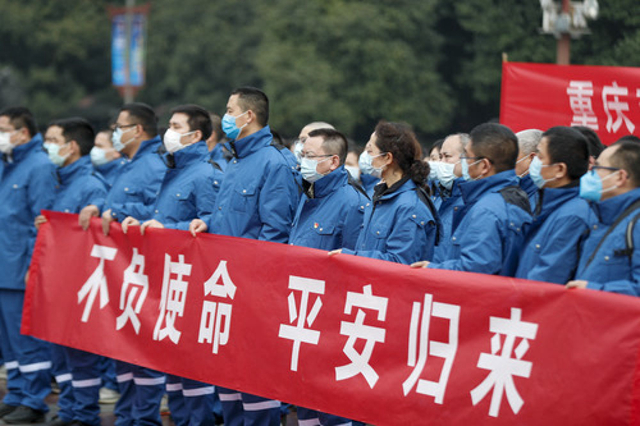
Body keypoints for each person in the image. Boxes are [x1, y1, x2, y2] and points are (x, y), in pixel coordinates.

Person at [190, 87, 300, 426]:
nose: (225, 117)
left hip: (251, 289)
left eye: (229, 110)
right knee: (228, 375)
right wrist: (208, 223)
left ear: (248, 116)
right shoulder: (235, 159)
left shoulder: (275, 162)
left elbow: (275, 232)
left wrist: (253, 285)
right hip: (224, 286)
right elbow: (234, 217)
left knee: (254, 378)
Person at [121, 104, 222, 426]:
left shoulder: (206, 175)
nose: (169, 132)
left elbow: (210, 226)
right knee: (173, 364)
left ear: (195, 135)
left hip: (190, 282)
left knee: (190, 366)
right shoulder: (173, 170)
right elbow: (163, 214)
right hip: (167, 280)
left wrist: (168, 230)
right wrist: (139, 219)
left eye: (176, 126)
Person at [79, 103, 167, 426]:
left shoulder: (154, 166)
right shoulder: (128, 165)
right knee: (124, 350)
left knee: (144, 354)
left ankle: (144, 419)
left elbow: (159, 212)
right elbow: (112, 203)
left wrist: (120, 212)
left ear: (137, 130)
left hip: (144, 273)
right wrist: (98, 207)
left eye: (119, 127)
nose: (115, 132)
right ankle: (127, 417)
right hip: (122, 272)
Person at [38, 118, 108, 426]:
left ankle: (85, 414)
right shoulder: (59, 181)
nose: (47, 146)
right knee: (60, 352)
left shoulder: (90, 184)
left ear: (72, 146)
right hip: (56, 279)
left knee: (80, 354)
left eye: (53, 140)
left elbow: (98, 227)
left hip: (79, 282)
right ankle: (68, 411)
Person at [413, 123, 531, 276]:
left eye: (467, 157)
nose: (465, 163)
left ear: (484, 165)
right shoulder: (512, 197)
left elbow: (475, 268)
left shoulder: (488, 210)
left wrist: (431, 269)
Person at [0, 107, 56, 424]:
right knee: (8, 341)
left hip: (19, 267)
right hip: (3, 265)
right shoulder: (7, 163)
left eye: (3, 129)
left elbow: (42, 221)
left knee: (27, 340)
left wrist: (34, 264)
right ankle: (16, 394)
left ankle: (34, 401)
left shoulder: (39, 166)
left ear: (22, 133)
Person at [329, 121, 439, 265]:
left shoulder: (409, 207)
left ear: (387, 158)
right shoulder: (380, 197)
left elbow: (400, 263)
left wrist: (352, 257)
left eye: (370, 151)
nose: (365, 157)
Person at [514, 126, 591, 284]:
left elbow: (548, 276)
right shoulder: (546, 203)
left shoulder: (573, 216)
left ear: (560, 169)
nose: (534, 163)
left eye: (540, 157)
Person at [568, 139, 640, 296]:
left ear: (620, 177)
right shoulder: (601, 216)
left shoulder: (636, 224)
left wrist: (594, 291)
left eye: (597, 168)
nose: (590, 174)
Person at [431, 133, 469, 262]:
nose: (441, 162)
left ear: (467, 159)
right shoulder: (438, 198)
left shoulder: (471, 201)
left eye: (447, 157)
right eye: (440, 157)